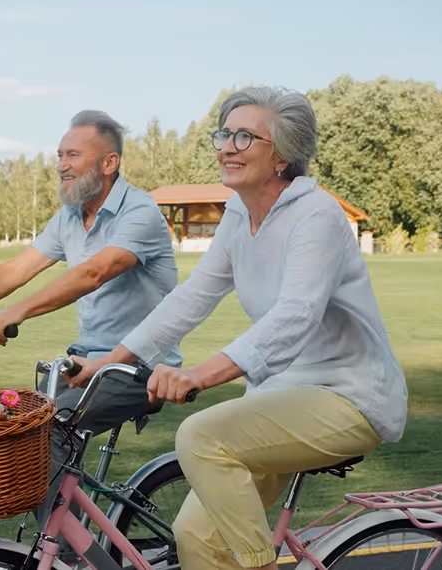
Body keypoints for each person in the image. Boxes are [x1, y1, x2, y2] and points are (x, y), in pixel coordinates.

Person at [66, 86, 408, 570]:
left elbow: (296, 315)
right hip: (280, 396)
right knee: (194, 535)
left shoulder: (317, 215)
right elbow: (192, 297)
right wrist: (110, 362)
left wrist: (199, 376)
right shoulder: (238, 215)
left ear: (284, 154)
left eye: (244, 137)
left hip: (348, 396)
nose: (226, 146)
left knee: (201, 435)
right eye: (224, 134)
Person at [0, 109, 183, 554]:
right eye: (59, 154)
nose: (61, 163)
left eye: (73, 154)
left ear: (109, 162)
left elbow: (95, 272)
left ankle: (65, 561)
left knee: (44, 437)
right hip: (79, 364)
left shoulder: (140, 212)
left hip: (137, 368)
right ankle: (2, 555)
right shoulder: (69, 217)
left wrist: (15, 313)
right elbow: (16, 269)